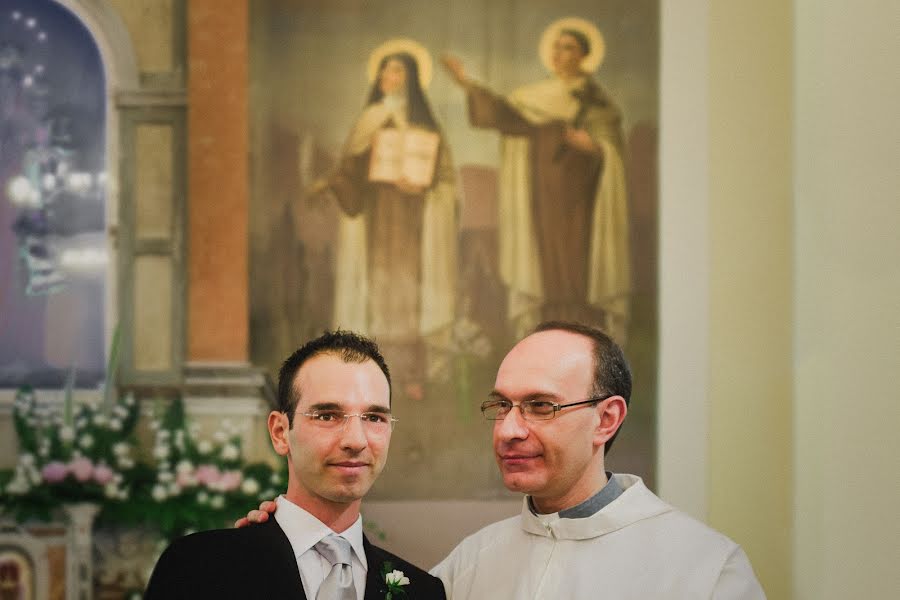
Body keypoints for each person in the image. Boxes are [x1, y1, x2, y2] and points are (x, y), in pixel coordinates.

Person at [241, 321, 765, 598]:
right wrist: (279, 541)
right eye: (503, 406)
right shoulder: (468, 566)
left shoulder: (705, 571)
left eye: (540, 406)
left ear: (606, 420)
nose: (510, 430)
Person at [145, 331, 445, 599]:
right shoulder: (197, 567)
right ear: (280, 432)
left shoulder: (423, 592)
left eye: (374, 418)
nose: (356, 440)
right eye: (327, 415)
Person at [442, 19, 631, 341]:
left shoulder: (597, 101)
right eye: (556, 47)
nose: (559, 54)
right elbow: (502, 114)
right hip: (542, 195)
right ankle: (548, 332)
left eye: (568, 47)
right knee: (545, 264)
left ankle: (583, 333)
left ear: (584, 55)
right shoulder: (533, 97)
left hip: (583, 199)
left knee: (578, 265)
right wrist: (465, 83)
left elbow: (610, 147)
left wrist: (594, 147)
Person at [317, 39, 457, 382]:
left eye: (396, 69)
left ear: (411, 78)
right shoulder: (369, 120)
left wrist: (426, 190)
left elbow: (447, 182)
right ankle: (374, 370)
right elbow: (350, 173)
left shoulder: (427, 129)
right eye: (384, 68)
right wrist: (332, 182)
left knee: (412, 291)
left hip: (416, 223)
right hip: (377, 220)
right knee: (381, 290)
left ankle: (411, 372)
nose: (386, 75)